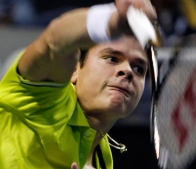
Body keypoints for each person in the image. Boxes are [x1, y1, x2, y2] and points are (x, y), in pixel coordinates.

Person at [0, 0, 157, 168]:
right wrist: (111, 20)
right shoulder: (45, 100)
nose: (128, 72)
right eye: (112, 59)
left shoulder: (104, 160)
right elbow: (55, 40)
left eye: (139, 69)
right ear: (75, 69)